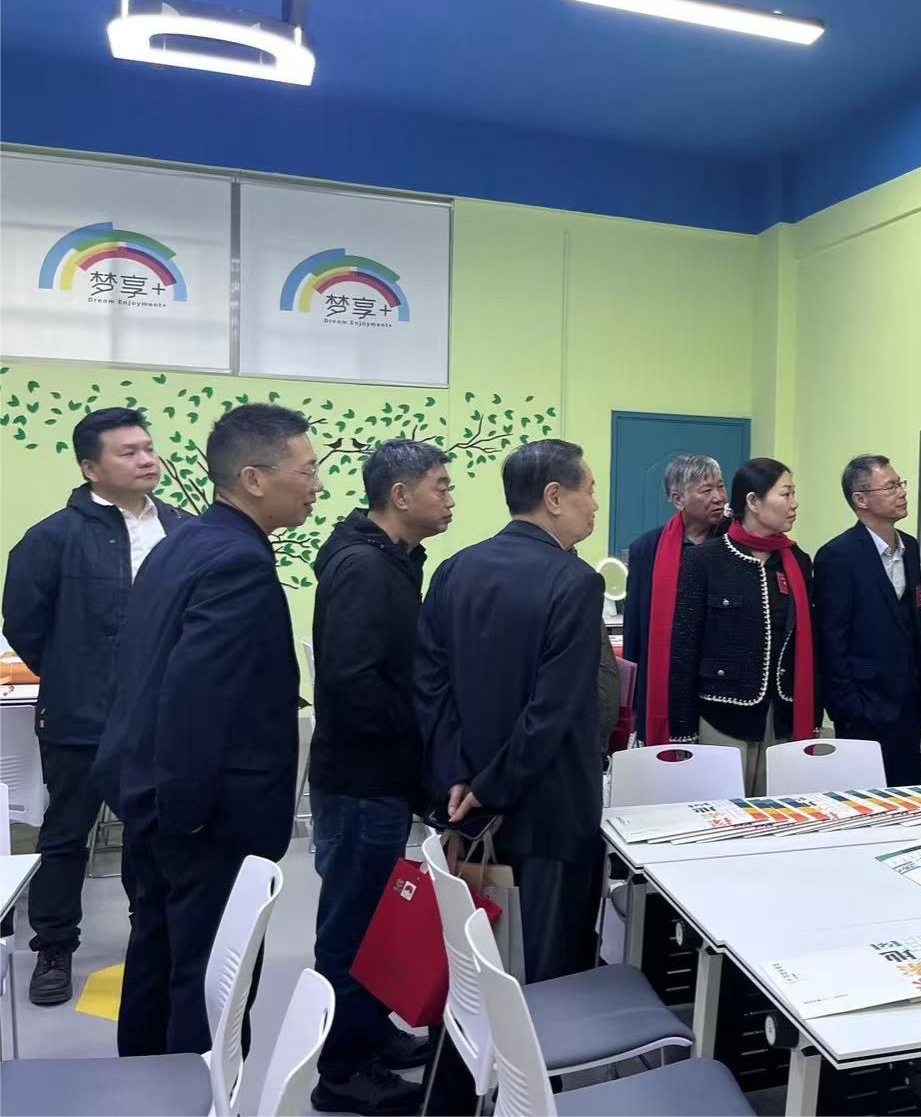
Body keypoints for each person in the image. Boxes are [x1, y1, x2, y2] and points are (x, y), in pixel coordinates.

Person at [94, 404, 319, 1057]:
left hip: (154, 794)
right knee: (212, 981)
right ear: (254, 479)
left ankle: (143, 1088)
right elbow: (198, 697)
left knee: (158, 956)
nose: (317, 485)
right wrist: (188, 817)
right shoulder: (238, 562)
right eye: (307, 471)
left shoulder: (183, 542)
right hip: (206, 817)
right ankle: (199, 1094)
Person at [1, 408, 188, 1007]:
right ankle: (54, 948)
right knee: (66, 835)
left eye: (148, 448)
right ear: (90, 467)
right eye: (128, 452)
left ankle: (150, 937)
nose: (147, 459)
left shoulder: (182, 530)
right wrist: (74, 673)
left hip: (161, 718)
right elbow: (24, 624)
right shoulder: (52, 537)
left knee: (152, 834)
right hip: (80, 716)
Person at [415, 439, 606, 983]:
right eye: (589, 491)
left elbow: (429, 685)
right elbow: (553, 710)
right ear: (554, 497)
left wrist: (458, 776)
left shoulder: (454, 570)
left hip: (467, 808)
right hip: (550, 810)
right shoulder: (575, 581)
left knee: (475, 960)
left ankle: (470, 1042)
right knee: (547, 966)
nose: (595, 504)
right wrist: (492, 786)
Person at [306, 440, 454, 1115]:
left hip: (379, 776)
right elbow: (353, 683)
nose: (449, 499)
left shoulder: (393, 559)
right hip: (362, 779)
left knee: (371, 921)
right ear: (400, 496)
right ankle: (342, 1070)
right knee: (351, 926)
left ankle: (370, 1033)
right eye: (440, 487)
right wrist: (420, 733)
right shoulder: (365, 567)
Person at [662, 458, 817, 794]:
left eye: (794, 494)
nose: (794, 503)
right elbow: (684, 649)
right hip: (721, 716)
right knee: (718, 810)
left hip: (782, 717)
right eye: (785, 494)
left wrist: (814, 718)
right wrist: (682, 729)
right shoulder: (705, 560)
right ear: (753, 502)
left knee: (775, 813)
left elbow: (810, 646)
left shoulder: (796, 561)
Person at [814, 455, 921, 785]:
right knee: (863, 796)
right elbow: (832, 639)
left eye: (900, 484)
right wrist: (848, 707)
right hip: (863, 705)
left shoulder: (910, 547)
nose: (901, 492)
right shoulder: (838, 555)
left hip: (907, 702)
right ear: (861, 500)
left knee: (906, 793)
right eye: (890, 486)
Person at [625, 455, 727, 744]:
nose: (719, 497)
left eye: (721, 486)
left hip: (719, 679)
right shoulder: (647, 549)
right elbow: (636, 626)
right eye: (706, 490)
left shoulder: (733, 543)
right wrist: (635, 700)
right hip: (667, 675)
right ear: (678, 499)